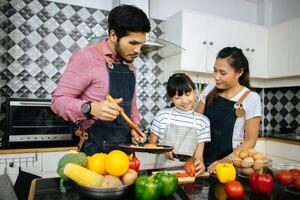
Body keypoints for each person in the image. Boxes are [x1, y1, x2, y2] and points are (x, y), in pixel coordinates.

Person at [51, 5, 150, 155]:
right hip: (94, 152)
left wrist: (135, 127)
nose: (138, 50)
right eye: (133, 43)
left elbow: (132, 105)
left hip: (125, 152)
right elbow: (58, 101)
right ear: (113, 35)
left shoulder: (130, 66)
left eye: (141, 44)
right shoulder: (86, 57)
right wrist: (90, 108)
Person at [195, 47, 261, 173]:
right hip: (200, 163)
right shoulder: (210, 88)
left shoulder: (251, 98)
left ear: (239, 72)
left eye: (223, 73)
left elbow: (250, 141)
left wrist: (223, 162)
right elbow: (195, 123)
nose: (216, 77)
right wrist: (197, 157)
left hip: (228, 166)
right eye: (215, 71)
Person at [148, 73, 211, 175]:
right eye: (178, 97)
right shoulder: (162, 115)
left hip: (187, 174)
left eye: (188, 94)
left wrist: (200, 164)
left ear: (195, 92)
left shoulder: (203, 122)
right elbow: (151, 145)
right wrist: (164, 151)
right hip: (161, 174)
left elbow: (199, 156)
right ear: (171, 98)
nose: (184, 101)